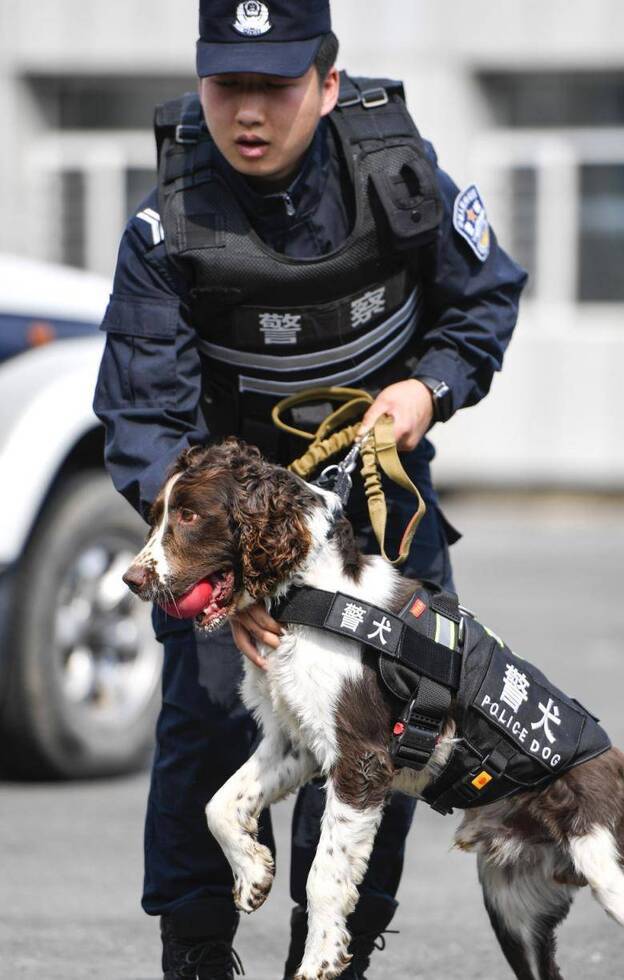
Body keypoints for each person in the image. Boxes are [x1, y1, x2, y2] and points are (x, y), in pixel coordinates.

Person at [93, 1, 527, 977]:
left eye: (276, 85)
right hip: (225, 526)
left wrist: (429, 384)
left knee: (392, 725)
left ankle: (335, 950)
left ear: (327, 87)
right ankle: (198, 949)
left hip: (376, 511)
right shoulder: (168, 222)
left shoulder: (401, 179)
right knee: (209, 722)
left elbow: (483, 297)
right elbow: (141, 418)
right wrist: (235, 577)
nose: (248, 111)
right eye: (226, 84)